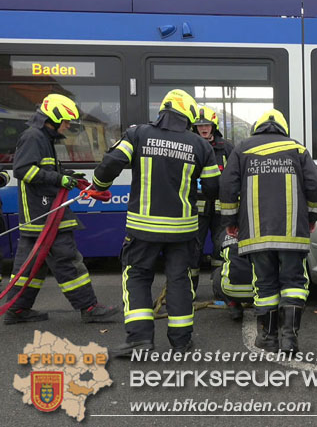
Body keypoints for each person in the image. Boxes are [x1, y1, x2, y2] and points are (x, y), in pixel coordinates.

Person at [92, 89, 220, 356]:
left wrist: (99, 186)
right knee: (180, 280)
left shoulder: (138, 134)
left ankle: (139, 340)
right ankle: (182, 341)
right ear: (188, 116)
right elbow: (211, 188)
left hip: (143, 227)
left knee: (137, 277)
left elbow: (110, 163)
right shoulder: (201, 145)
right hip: (183, 229)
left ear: (162, 111)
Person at [4, 94, 118, 325]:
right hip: (45, 214)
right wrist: (59, 179)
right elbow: (23, 171)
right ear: (53, 118)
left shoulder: (42, 138)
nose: (67, 126)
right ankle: (89, 307)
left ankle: (17, 309)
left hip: (39, 214)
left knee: (31, 267)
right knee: (67, 260)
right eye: (65, 121)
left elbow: (41, 169)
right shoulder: (34, 137)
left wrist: (66, 176)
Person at [220, 109, 317, 353]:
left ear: (257, 127)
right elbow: (315, 184)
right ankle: (290, 339)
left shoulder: (242, 148)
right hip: (292, 233)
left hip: (256, 233)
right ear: (283, 128)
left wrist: (230, 220)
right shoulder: (296, 148)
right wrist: (311, 216)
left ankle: (268, 337)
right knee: (295, 283)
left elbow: (226, 184)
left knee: (264, 284)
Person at [189, 105, 233, 290]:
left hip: (220, 208)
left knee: (220, 249)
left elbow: (234, 175)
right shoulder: (188, 146)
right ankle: (189, 291)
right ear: (194, 128)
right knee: (192, 250)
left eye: (207, 124)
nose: (203, 128)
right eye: (199, 125)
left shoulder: (227, 148)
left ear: (213, 125)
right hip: (195, 209)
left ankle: (220, 291)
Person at [211, 231, 254, 321]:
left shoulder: (225, 233)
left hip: (231, 290)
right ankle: (267, 310)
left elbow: (221, 256)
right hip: (261, 290)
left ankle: (233, 306)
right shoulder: (261, 230)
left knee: (217, 273)